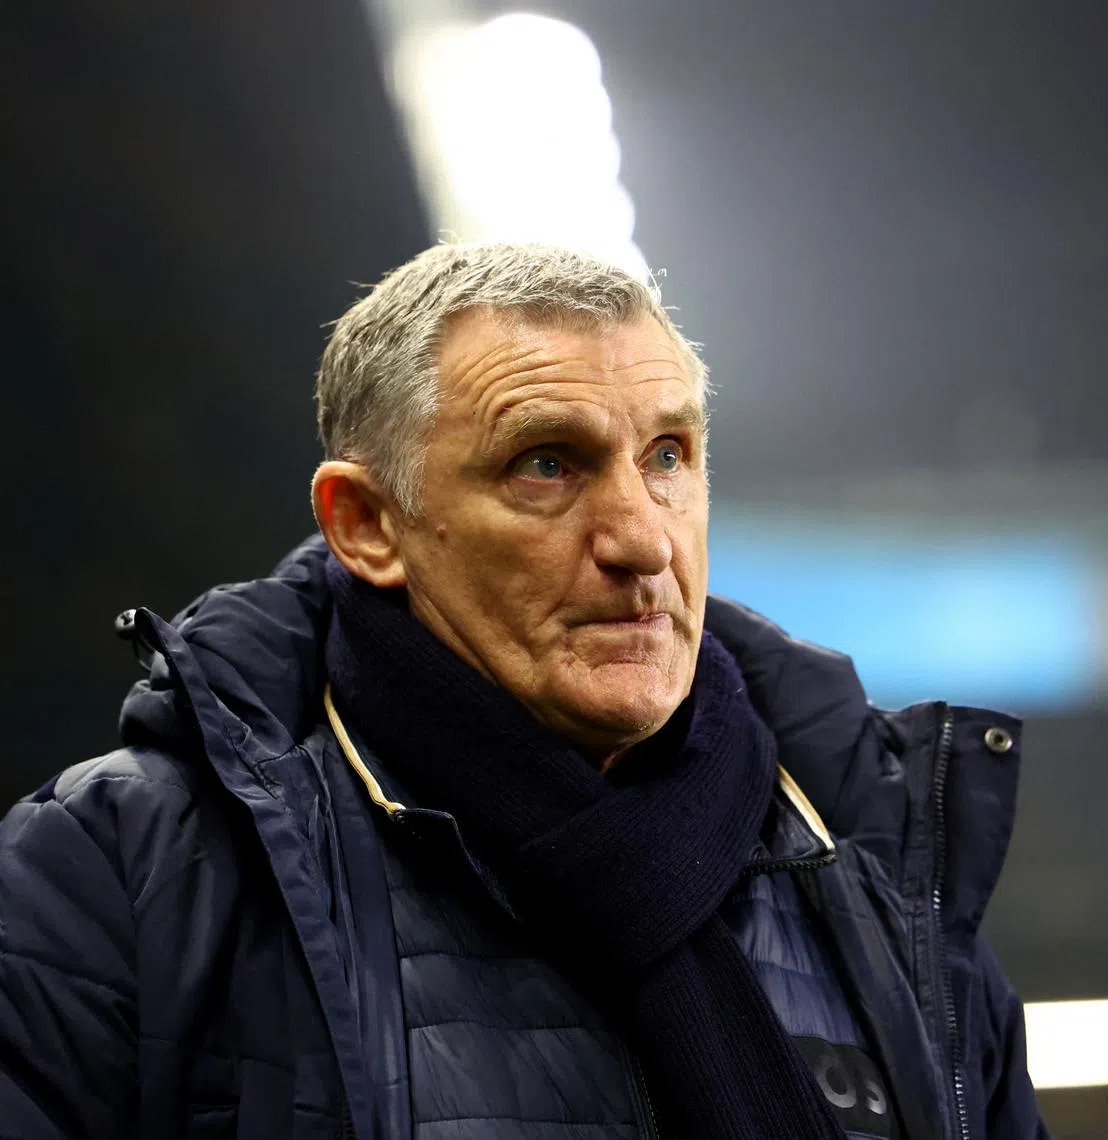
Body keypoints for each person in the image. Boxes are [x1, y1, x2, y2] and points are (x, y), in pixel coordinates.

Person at [0, 242, 1048, 1140]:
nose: (642, 538)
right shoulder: (119, 878)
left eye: (670, 454)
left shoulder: (883, 878)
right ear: (366, 524)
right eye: (548, 464)